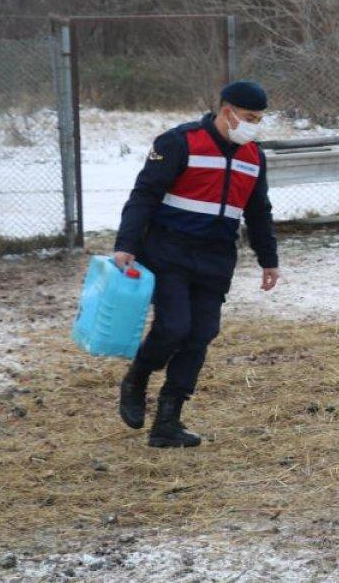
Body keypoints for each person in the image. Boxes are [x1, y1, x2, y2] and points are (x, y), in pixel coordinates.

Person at [112, 80, 280, 448]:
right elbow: (144, 195)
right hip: (169, 252)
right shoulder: (179, 142)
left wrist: (269, 260)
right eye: (249, 118)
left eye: (259, 119)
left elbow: (258, 211)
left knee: (201, 334)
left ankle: (168, 422)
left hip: (216, 258)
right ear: (226, 112)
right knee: (174, 327)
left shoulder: (254, 156)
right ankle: (138, 376)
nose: (254, 126)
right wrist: (126, 244)